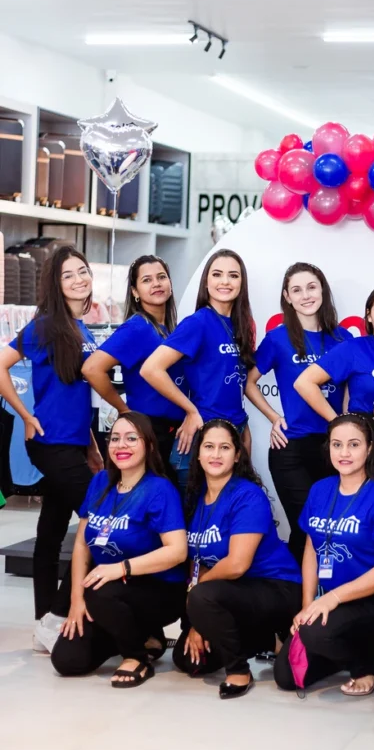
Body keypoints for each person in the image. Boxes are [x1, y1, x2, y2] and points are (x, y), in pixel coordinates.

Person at [0, 245, 103, 653]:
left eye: (82, 271)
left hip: (74, 444)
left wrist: (91, 446)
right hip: (50, 443)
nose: (79, 280)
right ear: (56, 285)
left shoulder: (83, 330)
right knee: (101, 521)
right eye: (68, 275)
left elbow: (76, 397)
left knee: (51, 532)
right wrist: (25, 414)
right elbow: (1, 364)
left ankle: (44, 622)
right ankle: (57, 615)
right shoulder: (44, 326)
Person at [274, 414, 374, 696]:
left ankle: (366, 662)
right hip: (333, 602)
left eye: (354, 444)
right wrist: (308, 605)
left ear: (369, 448)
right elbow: (311, 548)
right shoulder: (319, 490)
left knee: (315, 633)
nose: (344, 453)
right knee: (286, 676)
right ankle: (342, 653)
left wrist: (332, 598)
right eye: (337, 445)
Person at [51, 412, 187, 687]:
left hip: (158, 590)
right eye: (115, 438)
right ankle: (145, 637)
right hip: (109, 593)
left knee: (100, 590)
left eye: (131, 438)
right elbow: (82, 543)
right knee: (67, 660)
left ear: (149, 445)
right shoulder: (100, 481)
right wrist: (76, 601)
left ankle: (136, 657)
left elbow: (177, 551)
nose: (121, 445)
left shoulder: (159, 489)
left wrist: (120, 569)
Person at [173, 420, 301, 698]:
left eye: (225, 448)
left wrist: (197, 597)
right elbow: (198, 562)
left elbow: (237, 564)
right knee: (189, 659)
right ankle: (268, 640)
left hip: (276, 588)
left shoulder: (247, 495)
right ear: (198, 454)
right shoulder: (196, 497)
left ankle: (239, 671)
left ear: (237, 455)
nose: (216, 454)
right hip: (231, 592)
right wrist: (197, 621)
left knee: (203, 596)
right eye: (209, 447)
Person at [245, 262, 352, 563]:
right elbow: (249, 382)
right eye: (297, 290)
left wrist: (346, 426)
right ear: (287, 297)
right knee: (306, 527)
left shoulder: (343, 339)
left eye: (311, 287)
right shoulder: (278, 339)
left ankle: (313, 587)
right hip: (292, 448)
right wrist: (273, 417)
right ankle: (293, 587)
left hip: (334, 448)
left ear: (322, 290)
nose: (306, 295)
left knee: (330, 528)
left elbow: (350, 389)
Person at [140, 249, 255, 481]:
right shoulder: (198, 323)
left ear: (242, 283)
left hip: (236, 433)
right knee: (195, 505)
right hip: (203, 436)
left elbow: (234, 384)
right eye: (217, 274)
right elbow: (150, 369)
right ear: (206, 282)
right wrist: (191, 411)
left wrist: (244, 429)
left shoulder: (240, 325)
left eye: (233, 275)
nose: (225, 281)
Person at [294, 282, 374, 504]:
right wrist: (338, 423)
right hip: (367, 449)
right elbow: (304, 382)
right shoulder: (354, 348)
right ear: (368, 316)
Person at [82, 255, 184, 469]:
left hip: (172, 430)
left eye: (161, 277)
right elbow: (92, 368)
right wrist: (124, 410)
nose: (156, 284)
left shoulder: (169, 329)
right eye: (147, 280)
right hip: (151, 429)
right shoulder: (138, 327)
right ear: (135, 292)